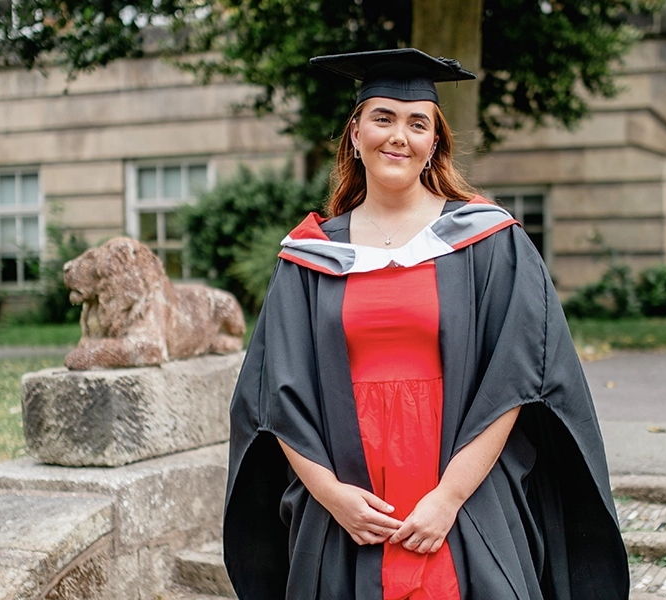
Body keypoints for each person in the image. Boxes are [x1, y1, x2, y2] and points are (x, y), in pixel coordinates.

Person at [223, 48, 629, 600]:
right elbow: (276, 396)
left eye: (418, 123)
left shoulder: (488, 242)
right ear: (356, 134)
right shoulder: (308, 256)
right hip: (348, 501)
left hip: (462, 491)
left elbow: (516, 380)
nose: (399, 136)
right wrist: (333, 496)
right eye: (383, 118)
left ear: (434, 142)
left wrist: (449, 498)